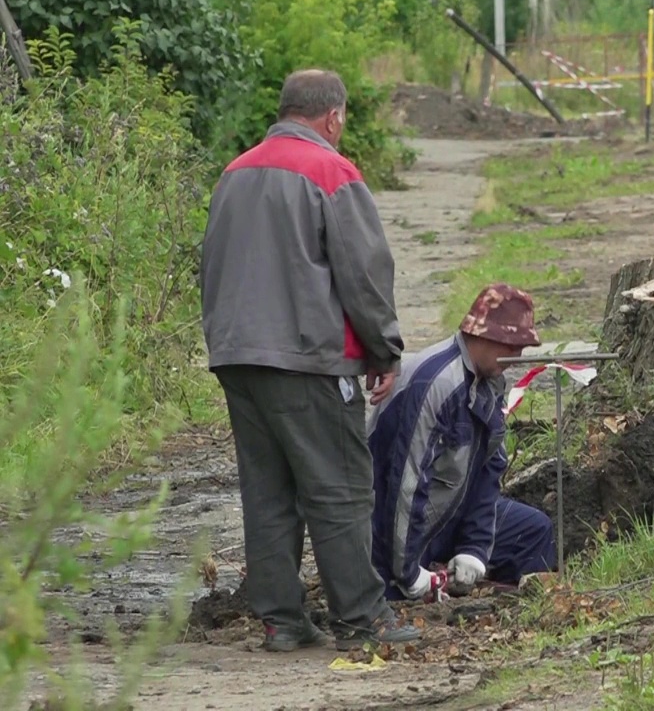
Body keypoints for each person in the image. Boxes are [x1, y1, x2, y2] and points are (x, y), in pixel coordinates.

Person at [200, 68, 420, 651]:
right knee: (339, 488)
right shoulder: (331, 171)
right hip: (308, 359)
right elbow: (365, 274)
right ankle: (362, 617)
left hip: (237, 358)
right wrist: (383, 349)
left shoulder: (234, 172)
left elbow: (211, 263)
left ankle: (282, 621)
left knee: (268, 493)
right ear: (335, 117)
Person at [368, 283, 558, 602]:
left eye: (521, 347)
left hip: (447, 511)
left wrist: (476, 549)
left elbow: (489, 471)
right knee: (393, 596)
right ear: (479, 333)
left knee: (533, 530)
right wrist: (410, 573)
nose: (516, 357)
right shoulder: (438, 383)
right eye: (509, 345)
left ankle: (517, 615)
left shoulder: (489, 381)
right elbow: (406, 486)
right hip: (386, 524)